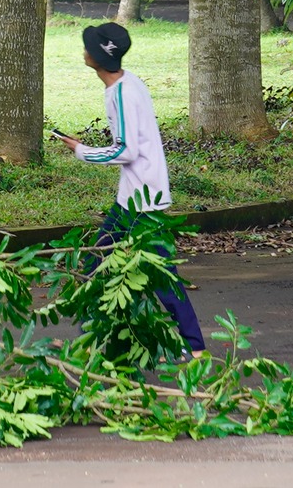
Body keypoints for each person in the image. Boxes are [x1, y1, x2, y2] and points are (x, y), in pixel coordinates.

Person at [52, 22, 204, 353]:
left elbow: (126, 150)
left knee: (156, 276)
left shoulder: (120, 93)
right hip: (136, 196)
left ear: (95, 57)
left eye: (88, 47)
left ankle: (192, 345)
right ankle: (94, 339)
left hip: (141, 202)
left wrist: (81, 151)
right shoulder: (127, 82)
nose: (84, 51)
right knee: (101, 266)